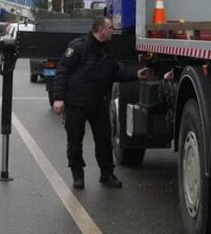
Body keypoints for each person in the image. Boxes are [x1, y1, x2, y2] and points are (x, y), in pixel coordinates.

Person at [50, 15, 150, 190]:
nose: (113, 30)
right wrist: (59, 98)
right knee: (75, 141)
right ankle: (77, 174)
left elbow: (115, 73)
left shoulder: (107, 50)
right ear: (101, 30)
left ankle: (107, 174)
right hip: (76, 103)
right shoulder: (78, 47)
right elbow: (62, 71)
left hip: (97, 103)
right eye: (110, 27)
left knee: (104, 140)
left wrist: (135, 75)